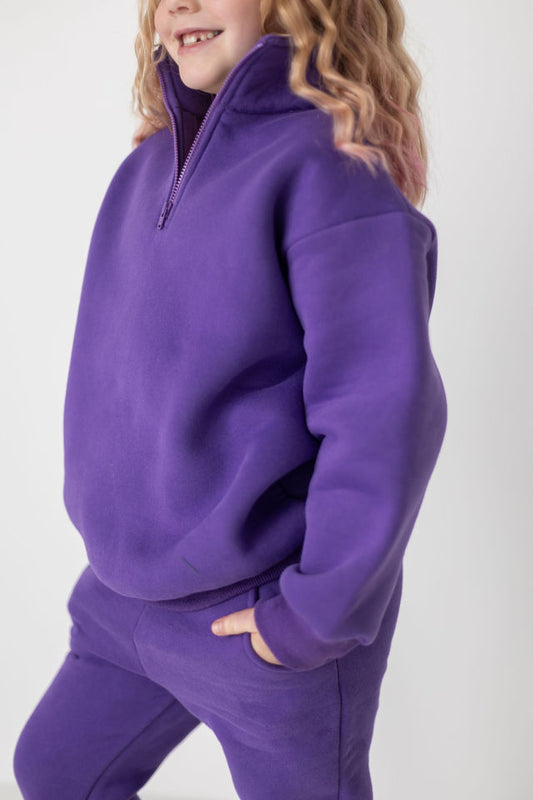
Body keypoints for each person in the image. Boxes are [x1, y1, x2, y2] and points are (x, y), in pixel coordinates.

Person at [13, 0, 448, 797]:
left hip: (260, 617)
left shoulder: (331, 168)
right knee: (55, 769)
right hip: (122, 603)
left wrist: (312, 614)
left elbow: (383, 414)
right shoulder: (147, 167)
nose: (178, 4)